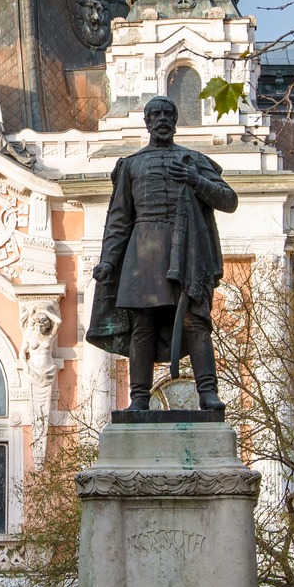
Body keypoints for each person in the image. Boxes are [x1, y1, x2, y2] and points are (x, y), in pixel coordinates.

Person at [87, 96, 237, 412]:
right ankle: (139, 398)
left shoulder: (193, 160)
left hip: (188, 251)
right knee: (144, 323)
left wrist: (196, 180)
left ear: (176, 120)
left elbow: (228, 200)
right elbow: (119, 219)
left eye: (168, 113)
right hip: (142, 254)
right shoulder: (130, 165)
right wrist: (108, 261)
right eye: (155, 114)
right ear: (147, 121)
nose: (162, 119)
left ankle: (207, 392)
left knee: (196, 321)